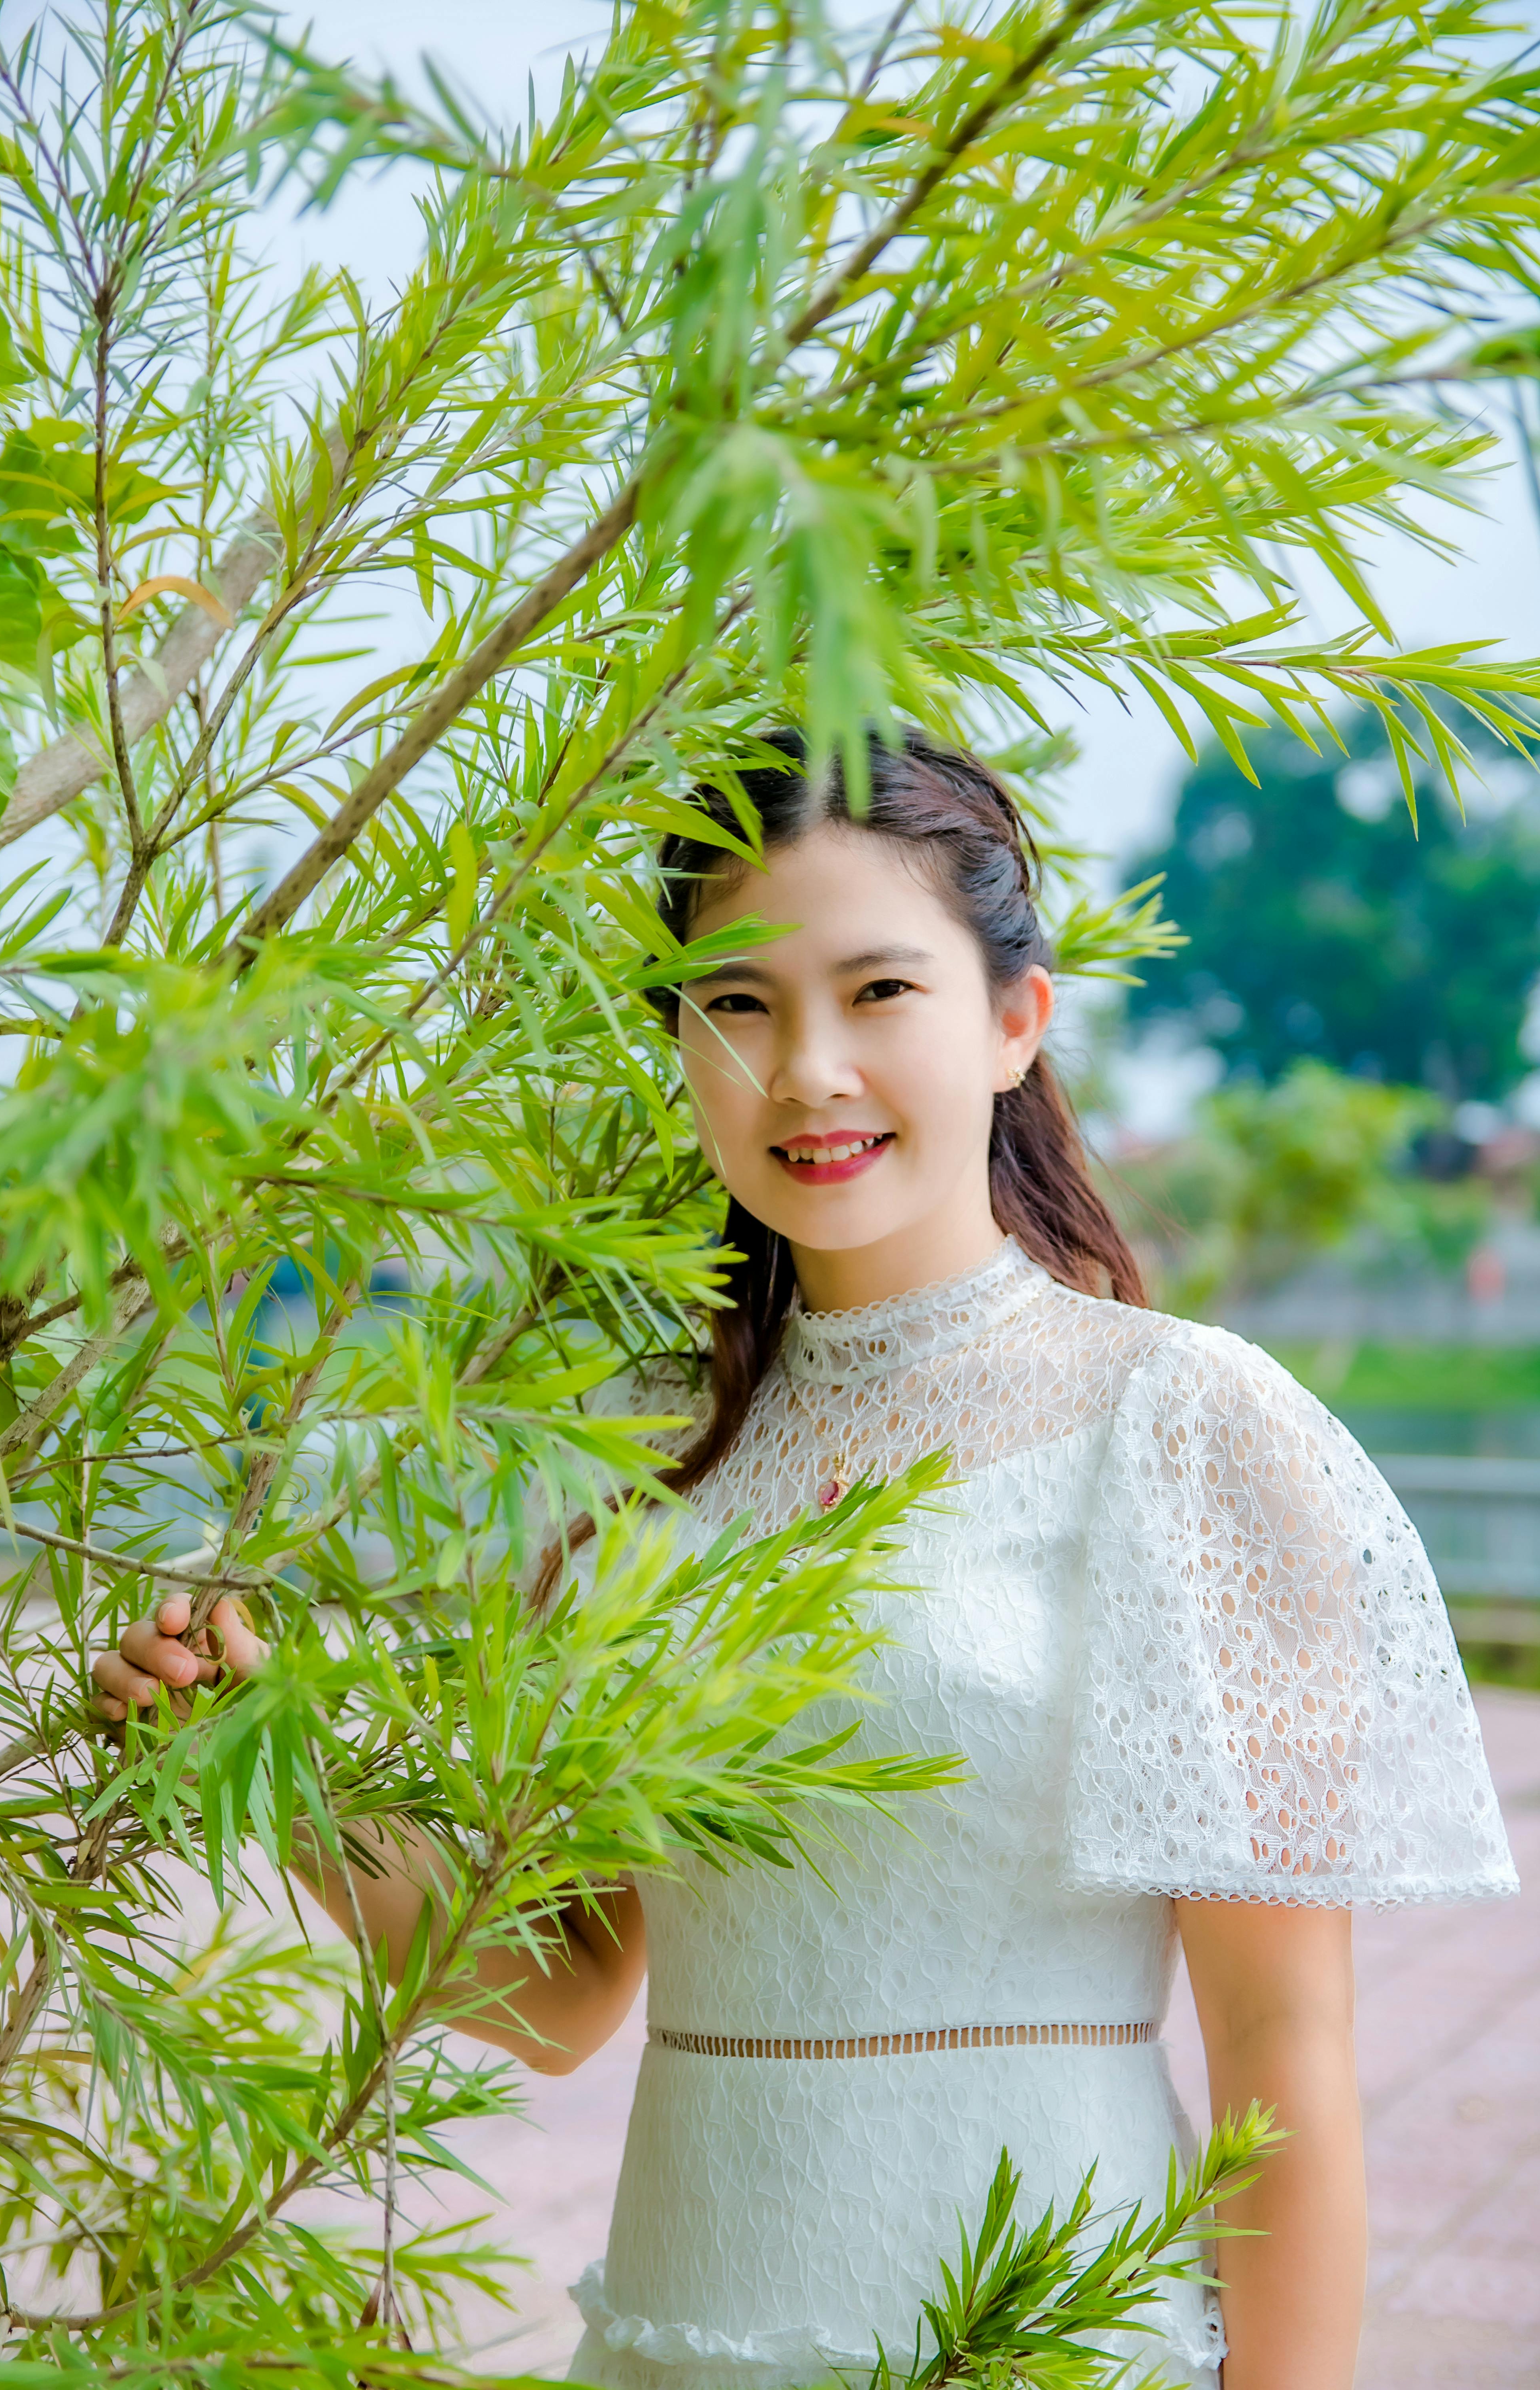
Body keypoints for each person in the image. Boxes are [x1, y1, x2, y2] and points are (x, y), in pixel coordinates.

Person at [95, 729, 1518, 2390]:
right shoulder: (642, 1453)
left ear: (1015, 1021)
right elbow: (561, 1992)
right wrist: (270, 1760)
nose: (807, 1070)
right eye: (739, 1003)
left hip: (1053, 2349)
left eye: (879, 991)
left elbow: (1282, 2052)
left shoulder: (1185, 1427)